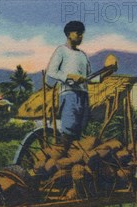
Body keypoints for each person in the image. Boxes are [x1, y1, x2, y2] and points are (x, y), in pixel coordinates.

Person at [46, 21, 98, 157]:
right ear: (69, 34)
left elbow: (89, 78)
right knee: (69, 128)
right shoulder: (61, 51)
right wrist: (69, 76)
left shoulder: (82, 55)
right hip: (69, 94)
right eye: (78, 34)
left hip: (83, 94)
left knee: (81, 129)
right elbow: (51, 72)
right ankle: (59, 158)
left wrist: (106, 73)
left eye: (82, 34)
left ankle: (71, 160)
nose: (81, 37)